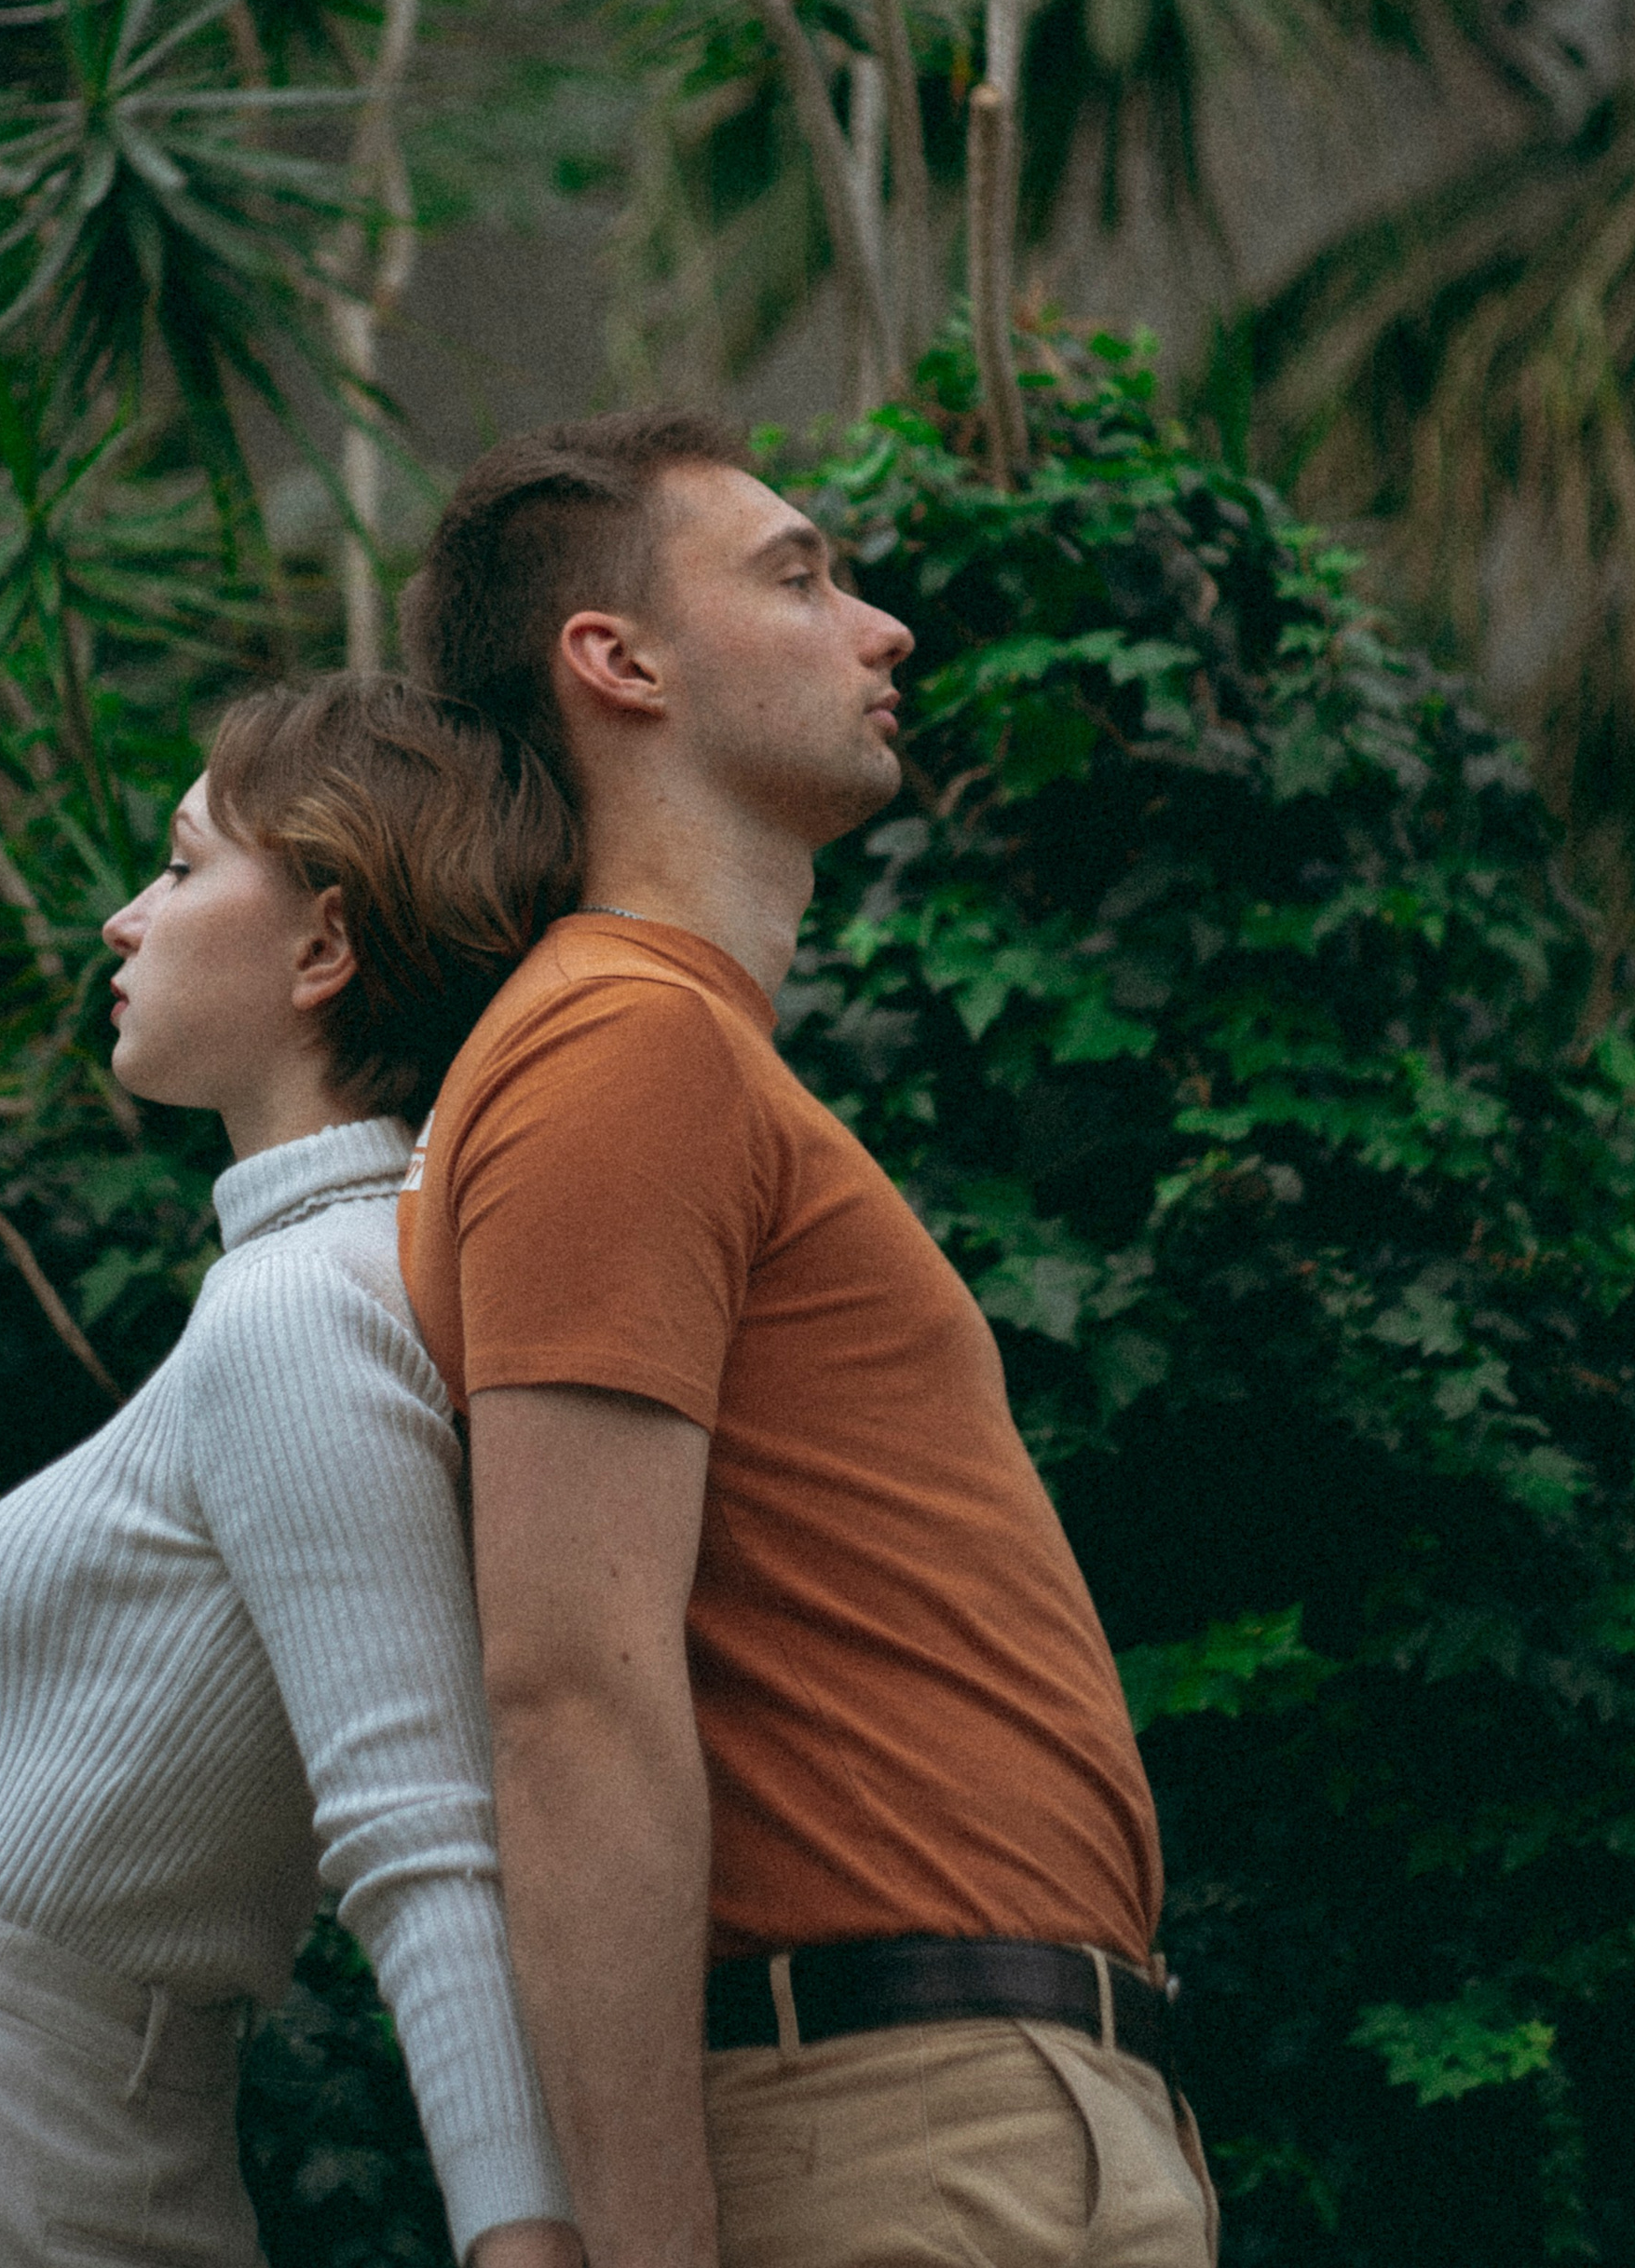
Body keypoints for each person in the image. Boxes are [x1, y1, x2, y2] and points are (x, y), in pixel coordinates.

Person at [398, 410, 1218, 2268]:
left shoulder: (680, 1046)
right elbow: (569, 1693)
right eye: (798, 576)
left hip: (999, 2110)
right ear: (614, 661)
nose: (882, 626)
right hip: (902, 2125)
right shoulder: (621, 1042)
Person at [0, 676, 581, 2268]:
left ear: (324, 946)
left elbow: (422, 1836)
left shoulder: (299, 1308)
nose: (121, 917)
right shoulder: (326, 1282)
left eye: (180, 863)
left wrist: (526, 2239)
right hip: (13, 2116)